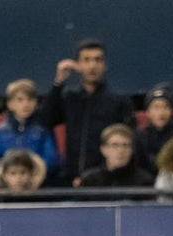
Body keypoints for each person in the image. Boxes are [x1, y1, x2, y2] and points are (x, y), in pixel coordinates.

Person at [41, 38, 136, 185]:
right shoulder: (69, 97)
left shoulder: (119, 101)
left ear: (104, 65)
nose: (92, 65)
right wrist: (58, 83)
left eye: (97, 60)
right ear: (78, 64)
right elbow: (46, 119)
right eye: (86, 60)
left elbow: (129, 139)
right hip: (71, 177)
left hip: (105, 181)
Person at [0, 78, 59, 181]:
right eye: (20, 100)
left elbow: (51, 161)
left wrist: (34, 171)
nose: (26, 104)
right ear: (10, 104)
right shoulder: (0, 132)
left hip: (38, 186)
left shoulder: (43, 131)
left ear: (36, 103)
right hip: (6, 186)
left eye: (30, 99)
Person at [134, 83, 173, 176]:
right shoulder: (140, 136)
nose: (161, 112)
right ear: (148, 112)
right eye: (156, 107)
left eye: (166, 107)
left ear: (172, 111)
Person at [78, 123, 154, 187]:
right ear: (103, 150)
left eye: (125, 145)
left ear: (132, 150)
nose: (120, 150)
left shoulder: (145, 182)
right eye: (115, 145)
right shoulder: (89, 181)